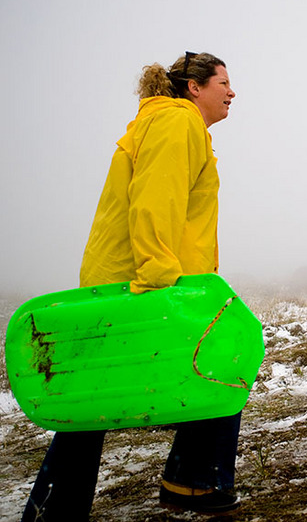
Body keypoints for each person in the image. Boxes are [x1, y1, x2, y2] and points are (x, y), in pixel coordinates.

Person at [21, 51, 240, 521]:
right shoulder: (176, 122)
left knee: (93, 400)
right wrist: (161, 281)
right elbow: (154, 202)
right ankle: (192, 481)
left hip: (129, 278)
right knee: (223, 359)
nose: (232, 91)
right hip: (145, 281)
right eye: (224, 81)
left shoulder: (168, 122)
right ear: (194, 87)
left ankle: (59, 508)